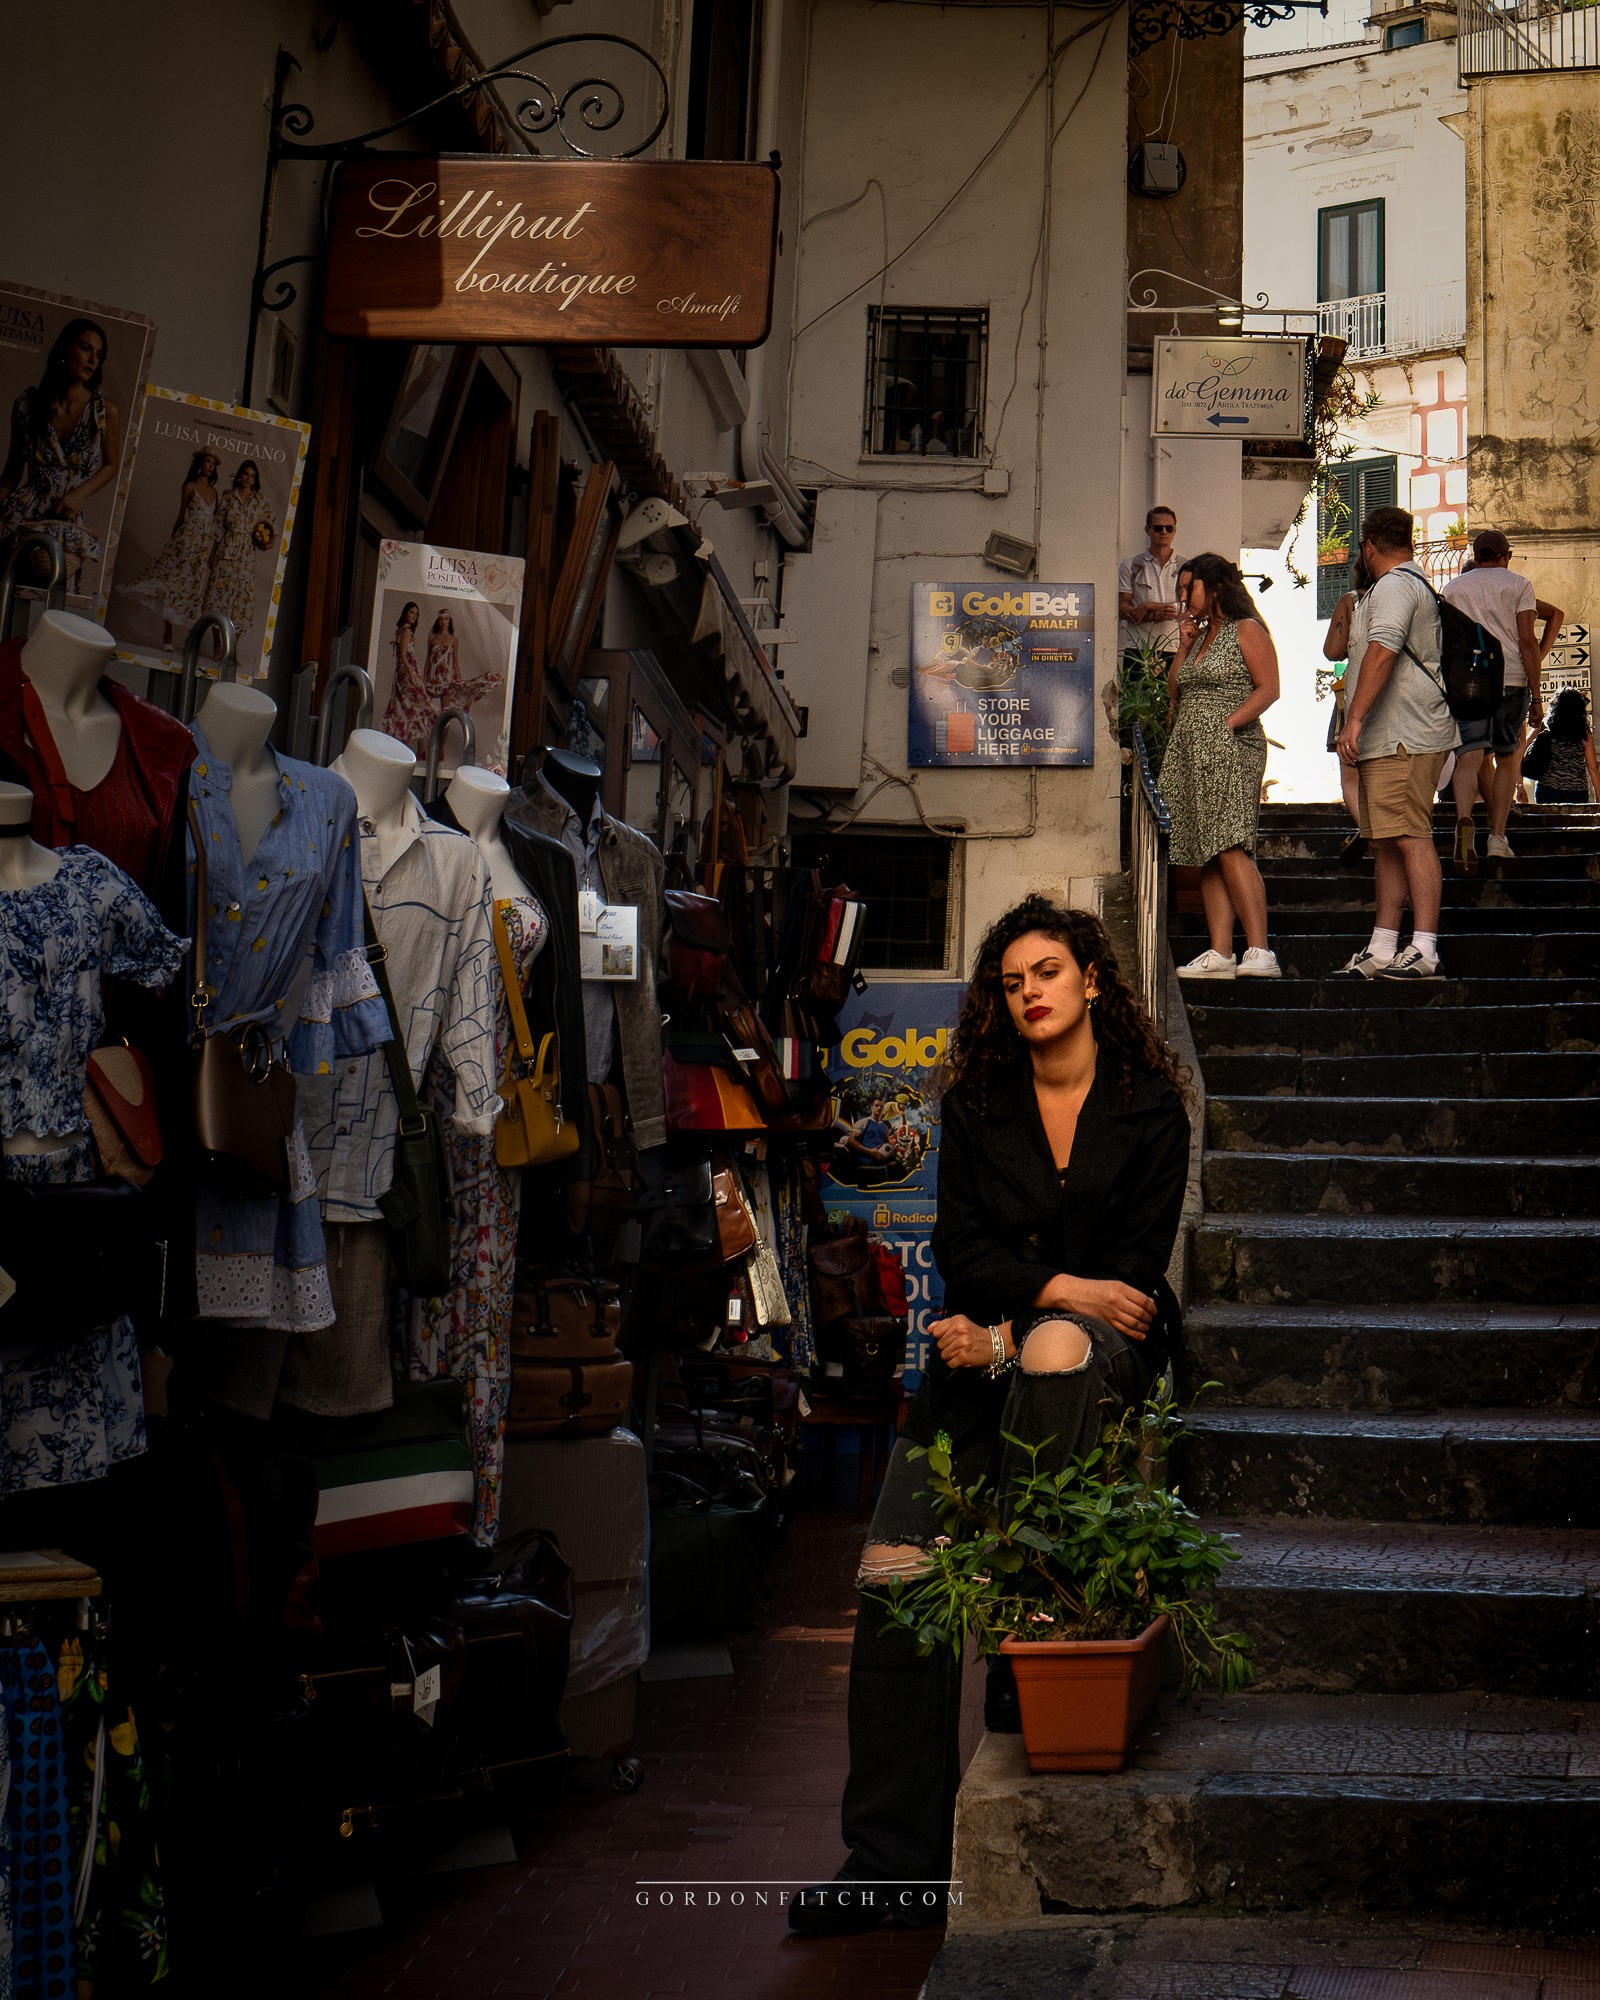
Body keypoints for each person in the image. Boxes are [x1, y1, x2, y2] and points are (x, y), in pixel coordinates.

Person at [791, 897, 1190, 1939]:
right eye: (1012, 982)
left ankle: (1023, 1636)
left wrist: (1022, 1326)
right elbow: (962, 1254)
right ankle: (891, 1859)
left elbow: (1133, 1288)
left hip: (1089, 1361)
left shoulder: (1151, 1105)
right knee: (895, 1573)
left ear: (1091, 979)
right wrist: (1060, 1287)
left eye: (1048, 972)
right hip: (970, 1369)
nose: (1030, 993)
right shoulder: (975, 1100)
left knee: (1057, 1347)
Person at [1335, 505, 1457, 980]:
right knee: (1386, 841)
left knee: (1410, 836)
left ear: (1369, 547)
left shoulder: (1394, 586)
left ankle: (1424, 949)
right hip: (1392, 736)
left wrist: (1354, 718)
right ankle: (1383, 948)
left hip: (1406, 735)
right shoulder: (1403, 584)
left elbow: (1383, 651)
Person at [1159, 552, 1282, 978]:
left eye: (1187, 588)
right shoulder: (1200, 637)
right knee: (1207, 852)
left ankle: (1261, 951)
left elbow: (1269, 688)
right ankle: (1221, 952)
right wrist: (1184, 645)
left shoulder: (1245, 628)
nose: (1182, 598)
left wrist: (1226, 724)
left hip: (1232, 746)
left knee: (1229, 843)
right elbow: (1176, 691)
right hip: (1193, 751)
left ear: (1212, 588)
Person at [1442, 530, 1564, 862]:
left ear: (1476, 556)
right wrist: (1537, 696)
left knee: (1469, 756)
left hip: (1469, 683)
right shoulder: (1519, 585)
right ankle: (1497, 837)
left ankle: (1464, 819)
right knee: (1507, 758)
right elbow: (1526, 641)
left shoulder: (1453, 589)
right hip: (1510, 680)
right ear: (1505, 556)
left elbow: (1446, 642)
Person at [0, 317, 123, 593]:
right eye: (85, 348)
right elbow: (10, 475)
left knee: (48, 602)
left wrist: (79, 495)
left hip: (65, 519)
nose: (93, 360)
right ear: (64, 349)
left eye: (99, 354)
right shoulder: (28, 404)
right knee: (6, 600)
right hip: (19, 518)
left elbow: (112, 465)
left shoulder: (104, 411)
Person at [129, 447, 220, 647]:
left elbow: (215, 524)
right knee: (173, 585)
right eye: (208, 462)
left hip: (202, 548)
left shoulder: (215, 492)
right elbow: (181, 517)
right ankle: (168, 634)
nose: (210, 466)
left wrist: (212, 553)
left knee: (194, 590)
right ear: (200, 464)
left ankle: (190, 638)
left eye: (213, 464)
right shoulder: (189, 487)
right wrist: (171, 543)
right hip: (185, 542)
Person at [1323, 557, 1373, 867]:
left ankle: (1367, 829)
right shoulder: (1407, 595)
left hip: (1355, 693)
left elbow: (1331, 651)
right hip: (1397, 696)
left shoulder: (1351, 601)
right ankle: (1379, 829)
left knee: (1351, 774)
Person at [200, 460, 273, 653]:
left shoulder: (259, 501)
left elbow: (269, 527)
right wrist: (212, 553)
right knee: (218, 598)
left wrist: (267, 542)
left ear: (255, 479)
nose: (248, 479)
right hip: (226, 552)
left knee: (243, 602)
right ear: (240, 475)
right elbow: (218, 527)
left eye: (252, 476)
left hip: (246, 556)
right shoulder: (229, 498)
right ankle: (217, 645)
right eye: (246, 474)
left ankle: (230, 649)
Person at [1118, 506, 1182, 669]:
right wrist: (1154, 616)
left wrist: (1149, 606)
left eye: (1169, 528)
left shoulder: (1185, 566)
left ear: (1175, 530)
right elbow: (1123, 608)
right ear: (1148, 529)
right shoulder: (1131, 565)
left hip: (1174, 648)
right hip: (1138, 648)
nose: (1164, 532)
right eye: (1158, 528)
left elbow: (1188, 607)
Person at [1530, 689, 1599, 804]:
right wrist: (1598, 794)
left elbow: (1524, 749)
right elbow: (1592, 767)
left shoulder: (1548, 729)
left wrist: (1519, 784)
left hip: (1547, 788)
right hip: (1576, 790)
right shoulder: (1583, 731)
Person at [380, 599, 429, 747]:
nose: (414, 616)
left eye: (416, 614)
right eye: (412, 612)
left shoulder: (401, 630)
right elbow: (402, 654)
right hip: (407, 673)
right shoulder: (406, 631)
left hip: (403, 672)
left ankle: (404, 746)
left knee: (405, 708)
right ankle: (406, 747)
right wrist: (412, 674)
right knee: (412, 708)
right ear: (405, 613)